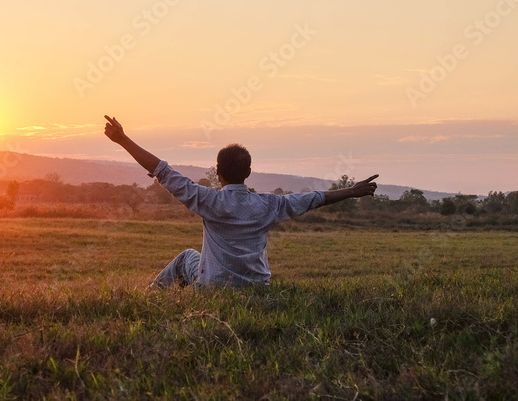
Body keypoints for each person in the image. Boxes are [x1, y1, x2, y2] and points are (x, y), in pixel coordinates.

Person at [103, 115, 378, 288]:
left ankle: (151, 297)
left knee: (187, 257)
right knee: (191, 258)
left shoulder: (207, 200)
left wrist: (123, 139)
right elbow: (314, 199)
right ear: (248, 173)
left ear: (217, 173)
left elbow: (162, 170)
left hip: (213, 287)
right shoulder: (269, 205)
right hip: (258, 287)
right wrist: (352, 191)